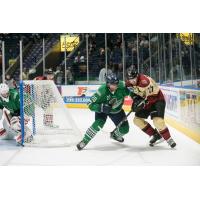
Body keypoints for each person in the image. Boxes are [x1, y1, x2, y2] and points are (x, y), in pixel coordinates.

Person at [76, 73, 131, 150]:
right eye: (113, 84)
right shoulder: (102, 91)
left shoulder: (122, 86)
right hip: (102, 110)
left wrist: (137, 100)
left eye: (116, 84)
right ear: (108, 83)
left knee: (125, 129)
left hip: (116, 111)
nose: (115, 86)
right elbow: (90, 104)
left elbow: (132, 93)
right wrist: (101, 108)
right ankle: (85, 140)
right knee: (98, 124)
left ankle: (115, 135)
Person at [126, 70, 176, 148]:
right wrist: (135, 99)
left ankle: (169, 139)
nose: (132, 81)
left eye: (134, 79)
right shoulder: (128, 83)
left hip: (156, 100)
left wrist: (140, 103)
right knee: (137, 120)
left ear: (137, 76)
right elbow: (133, 92)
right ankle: (156, 135)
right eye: (130, 79)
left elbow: (150, 96)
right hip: (146, 101)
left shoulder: (144, 82)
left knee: (158, 121)